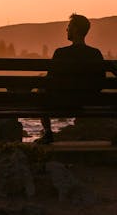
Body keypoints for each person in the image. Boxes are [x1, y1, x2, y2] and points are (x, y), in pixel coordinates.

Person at [35, 13, 104, 144]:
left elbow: (50, 81)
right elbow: (101, 83)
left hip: (62, 101)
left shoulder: (60, 53)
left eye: (69, 27)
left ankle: (48, 133)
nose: (67, 30)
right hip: (87, 102)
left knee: (40, 91)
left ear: (76, 30)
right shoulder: (96, 54)